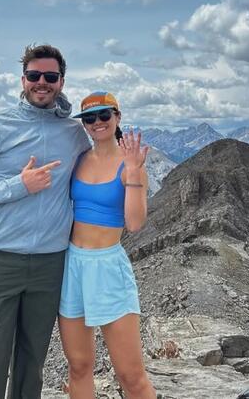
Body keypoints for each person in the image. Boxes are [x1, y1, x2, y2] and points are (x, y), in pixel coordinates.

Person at [0, 44, 90, 399]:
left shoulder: (74, 134)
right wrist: (19, 186)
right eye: (34, 76)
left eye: (50, 76)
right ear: (22, 79)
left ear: (61, 81)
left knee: (33, 360)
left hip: (50, 262)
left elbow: (98, 169)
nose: (41, 82)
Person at [59, 91, 157, 398]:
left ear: (117, 117)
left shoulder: (130, 163)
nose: (97, 123)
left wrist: (133, 172)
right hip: (72, 266)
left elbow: (135, 222)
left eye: (104, 115)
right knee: (78, 366)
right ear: (84, 124)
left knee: (130, 375)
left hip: (108, 267)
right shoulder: (79, 160)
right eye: (90, 118)